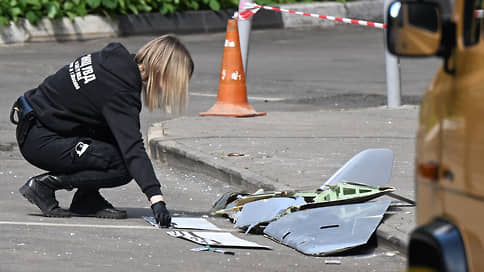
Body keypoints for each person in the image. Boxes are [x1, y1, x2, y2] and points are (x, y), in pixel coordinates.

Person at [10, 35, 194, 227]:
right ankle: (45, 185)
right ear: (163, 72)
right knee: (122, 166)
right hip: (40, 139)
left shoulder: (114, 59)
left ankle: (86, 200)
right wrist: (157, 199)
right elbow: (132, 148)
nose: (170, 90)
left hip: (36, 125)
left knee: (113, 136)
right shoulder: (120, 89)